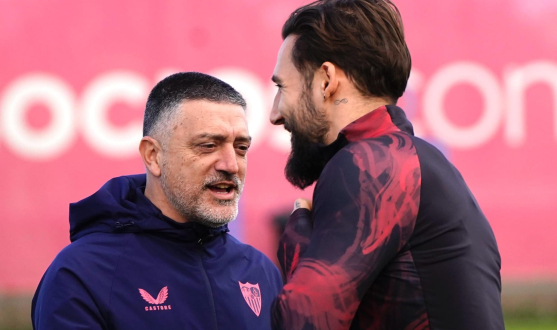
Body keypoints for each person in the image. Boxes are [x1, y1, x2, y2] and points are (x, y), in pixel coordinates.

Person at [269, 1, 504, 329]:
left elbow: (303, 317)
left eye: (282, 88)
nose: (275, 113)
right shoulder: (416, 161)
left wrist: (297, 237)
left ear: (326, 80)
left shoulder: (367, 165)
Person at [31, 72, 283, 330]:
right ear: (152, 156)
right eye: (208, 145)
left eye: (241, 148)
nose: (231, 165)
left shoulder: (261, 272)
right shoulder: (82, 274)